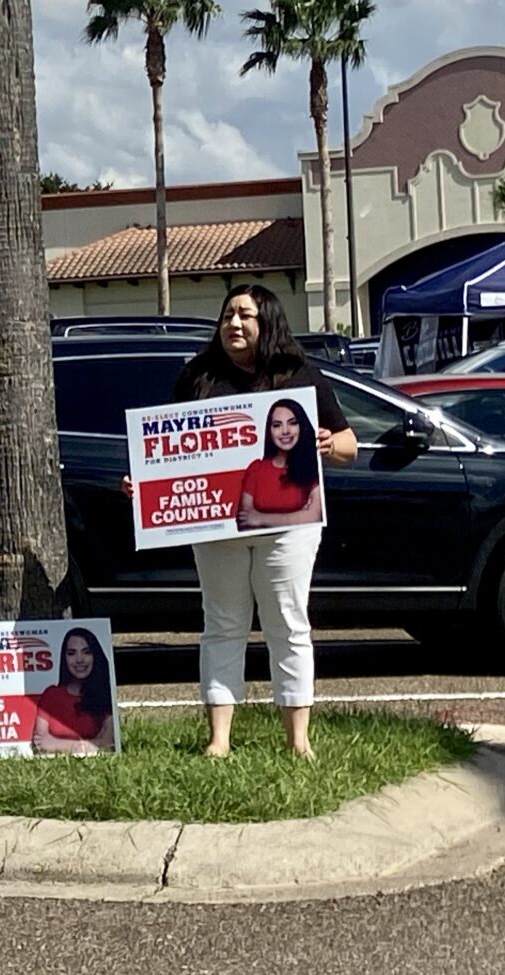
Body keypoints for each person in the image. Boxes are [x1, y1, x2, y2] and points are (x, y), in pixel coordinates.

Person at [124, 284, 357, 758]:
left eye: (245, 315)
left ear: (268, 321)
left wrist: (330, 445)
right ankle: (219, 741)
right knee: (222, 625)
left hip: (290, 525)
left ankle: (298, 742)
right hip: (217, 528)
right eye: (227, 314)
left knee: (287, 624)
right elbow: (168, 450)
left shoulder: (300, 376)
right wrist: (145, 484)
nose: (233, 323)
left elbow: (349, 444)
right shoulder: (198, 376)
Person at [236, 397, 322, 531]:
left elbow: (314, 517)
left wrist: (260, 518)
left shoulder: (312, 466)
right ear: (269, 431)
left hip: (301, 540)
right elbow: (245, 520)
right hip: (261, 542)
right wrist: (299, 517)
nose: (285, 431)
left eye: (292, 423)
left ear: (302, 426)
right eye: (277, 425)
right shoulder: (257, 469)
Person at [31, 627, 116, 755]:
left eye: (86, 652)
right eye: (71, 653)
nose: (79, 659)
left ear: (95, 656)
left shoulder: (106, 695)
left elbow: (108, 744)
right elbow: (40, 742)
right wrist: (85, 745)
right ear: (64, 658)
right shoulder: (51, 695)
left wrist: (57, 744)